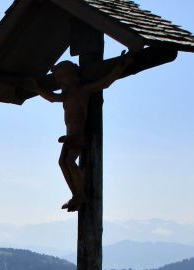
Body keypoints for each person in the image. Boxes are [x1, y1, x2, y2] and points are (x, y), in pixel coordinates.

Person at [22, 52, 134, 211]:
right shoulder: (66, 95)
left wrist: (122, 64)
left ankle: (80, 193)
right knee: (62, 162)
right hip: (69, 135)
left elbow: (105, 82)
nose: (60, 82)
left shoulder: (82, 91)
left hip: (78, 134)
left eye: (61, 78)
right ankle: (76, 194)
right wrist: (36, 87)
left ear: (70, 76)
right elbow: (52, 97)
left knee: (68, 162)